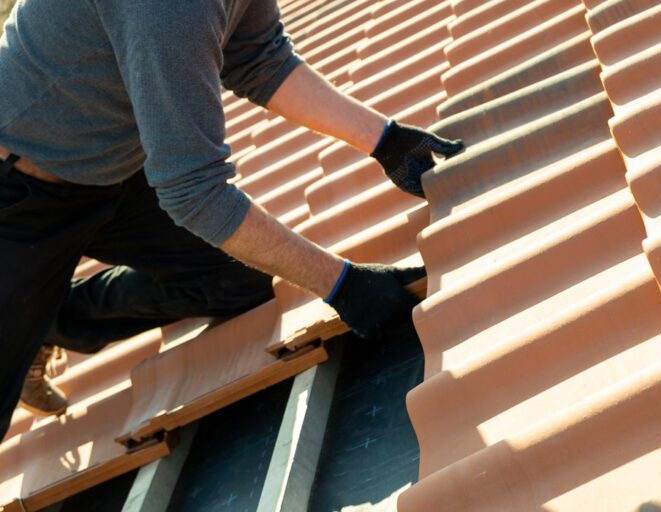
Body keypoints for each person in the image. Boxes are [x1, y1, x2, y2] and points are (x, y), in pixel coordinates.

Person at [0, 0, 463, 440]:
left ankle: (52, 319)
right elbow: (194, 192)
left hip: (109, 166)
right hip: (16, 194)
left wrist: (385, 140)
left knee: (241, 280)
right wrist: (342, 285)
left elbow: (260, 59)